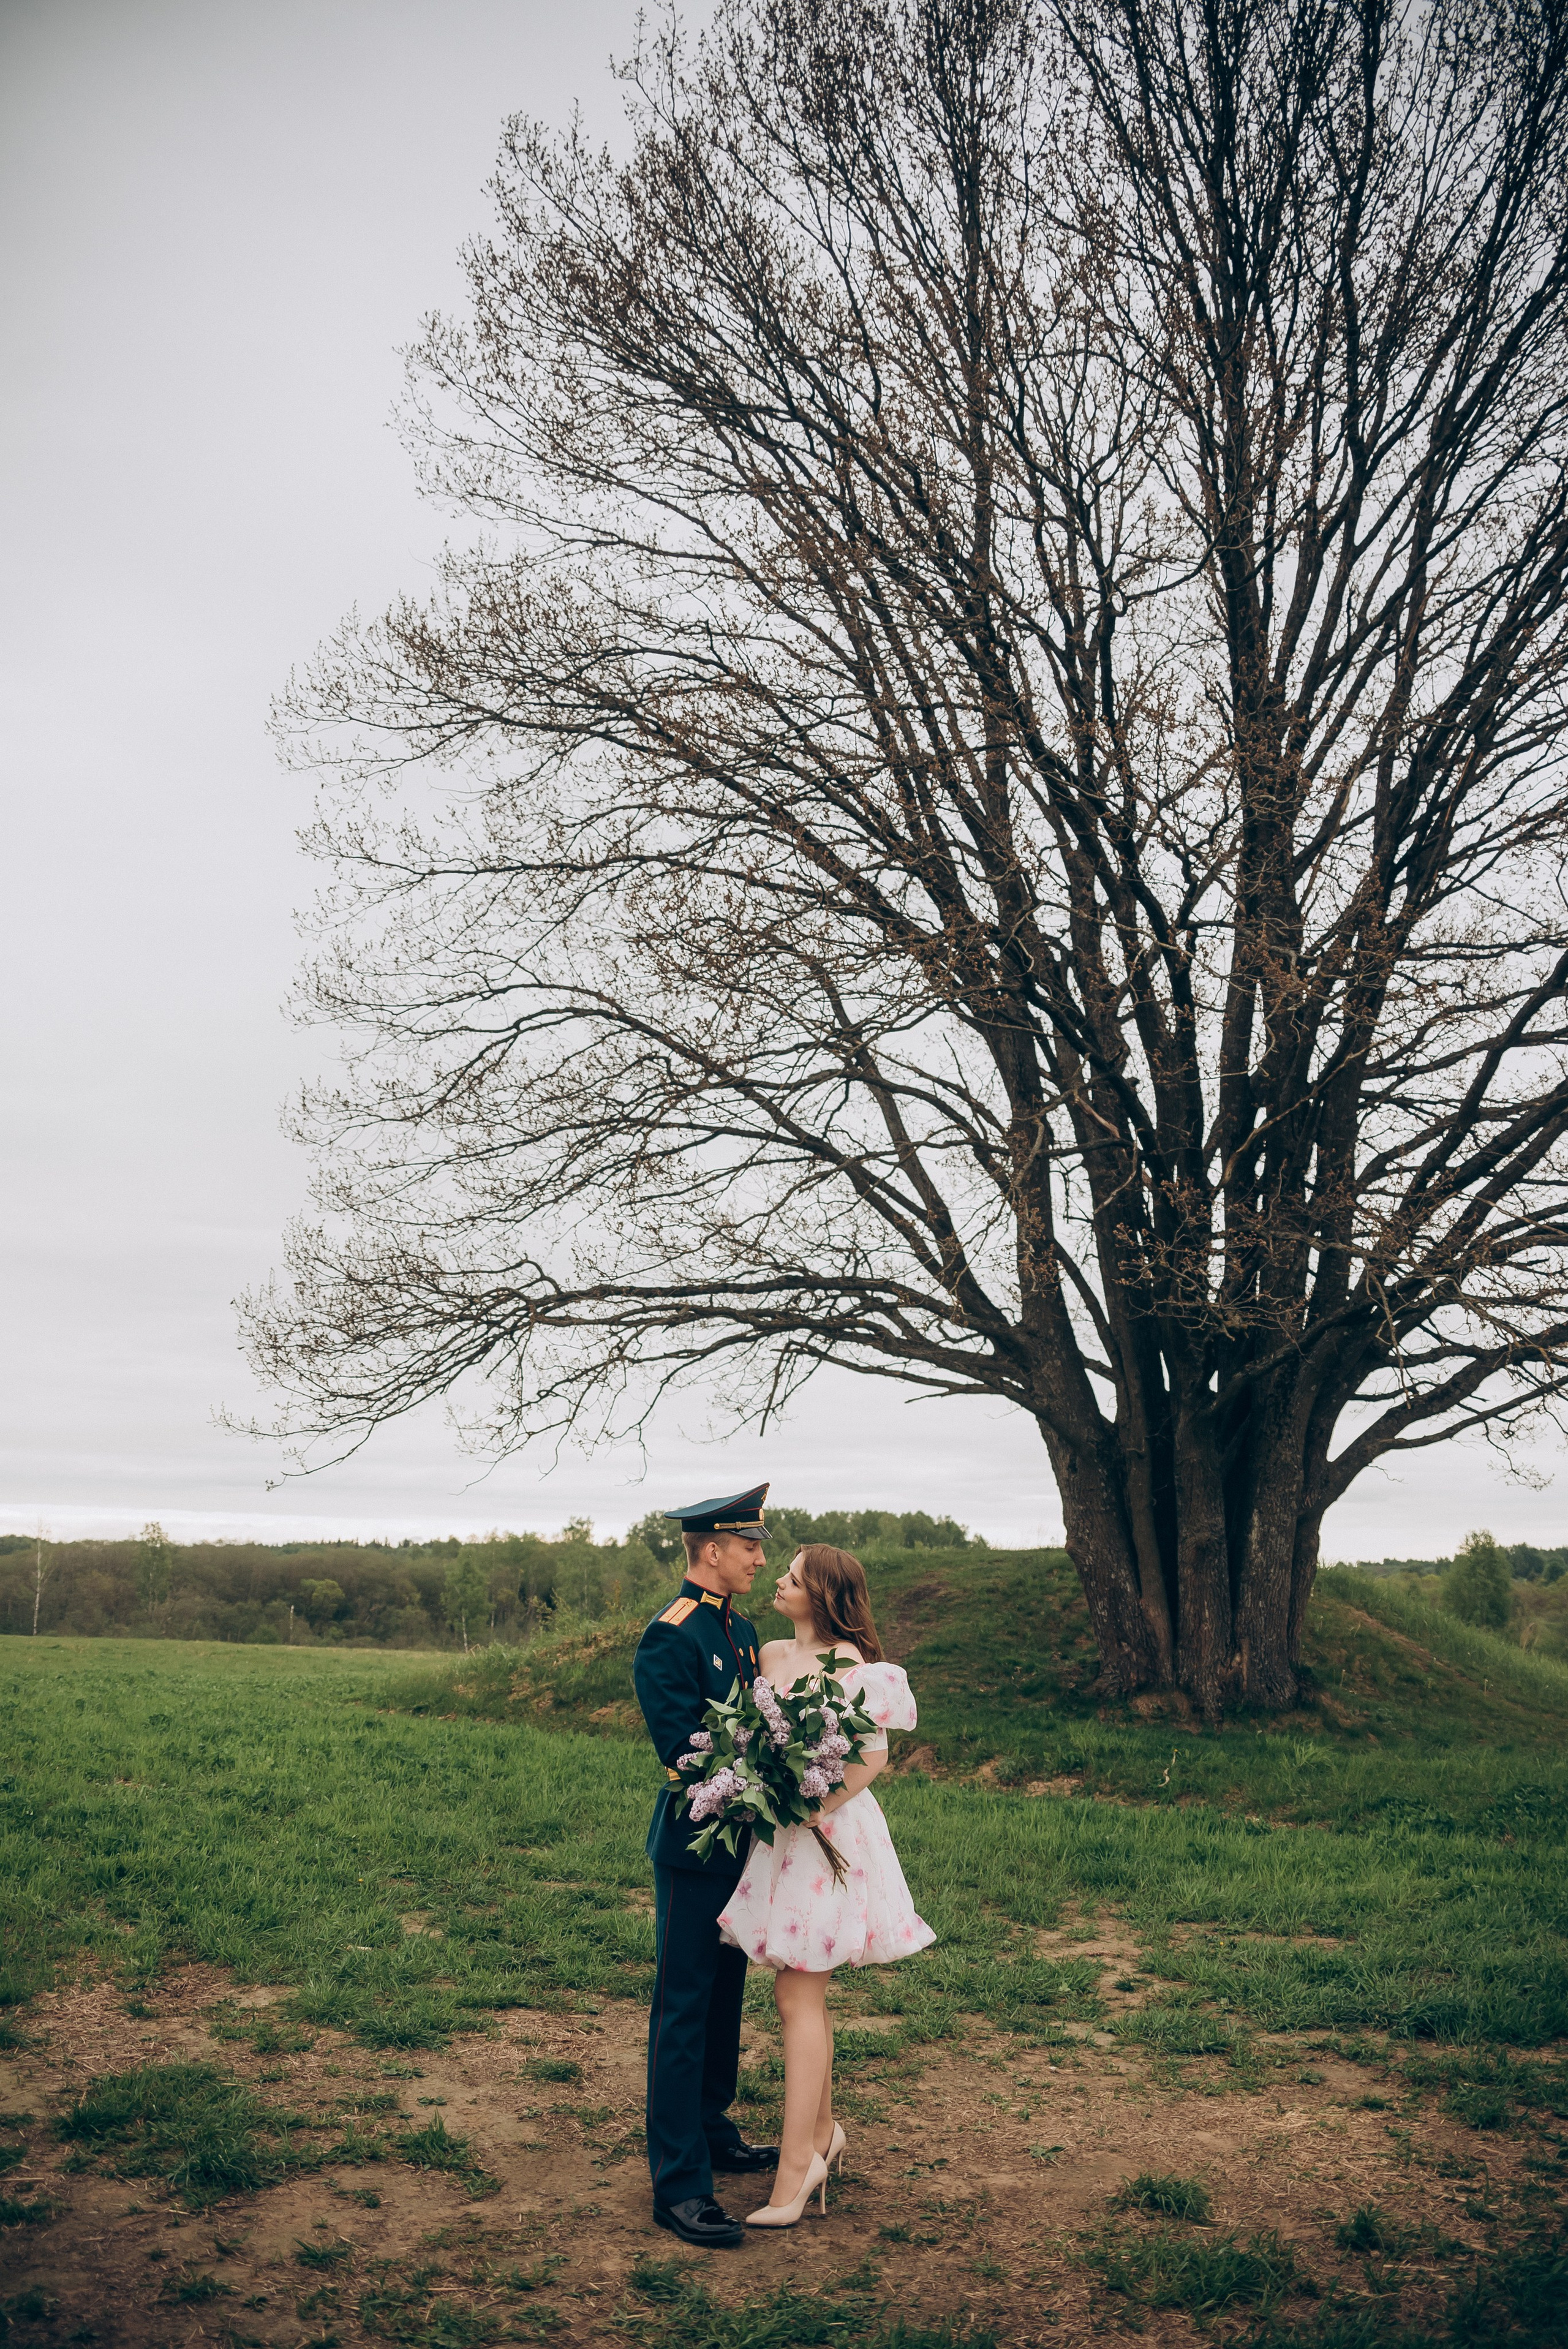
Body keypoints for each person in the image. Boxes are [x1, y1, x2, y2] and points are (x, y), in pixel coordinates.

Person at [718, 1542, 934, 2226]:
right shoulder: (771, 1653)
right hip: (777, 1834)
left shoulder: (856, 1669)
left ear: (823, 1592)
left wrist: (809, 1807)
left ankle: (796, 2168)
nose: (777, 1580)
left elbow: (871, 1758)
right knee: (796, 1991)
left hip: (826, 1834)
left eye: (792, 1575)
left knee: (794, 1992)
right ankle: (820, 2136)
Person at [631, 1483, 781, 2249]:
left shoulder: (743, 1629)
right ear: (710, 1550)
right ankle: (679, 2183)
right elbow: (683, 1750)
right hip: (695, 1844)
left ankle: (712, 2125)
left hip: (745, 1839)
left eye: (759, 1544)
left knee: (726, 1992)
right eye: (748, 1544)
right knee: (683, 2006)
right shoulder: (673, 1635)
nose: (761, 1555)